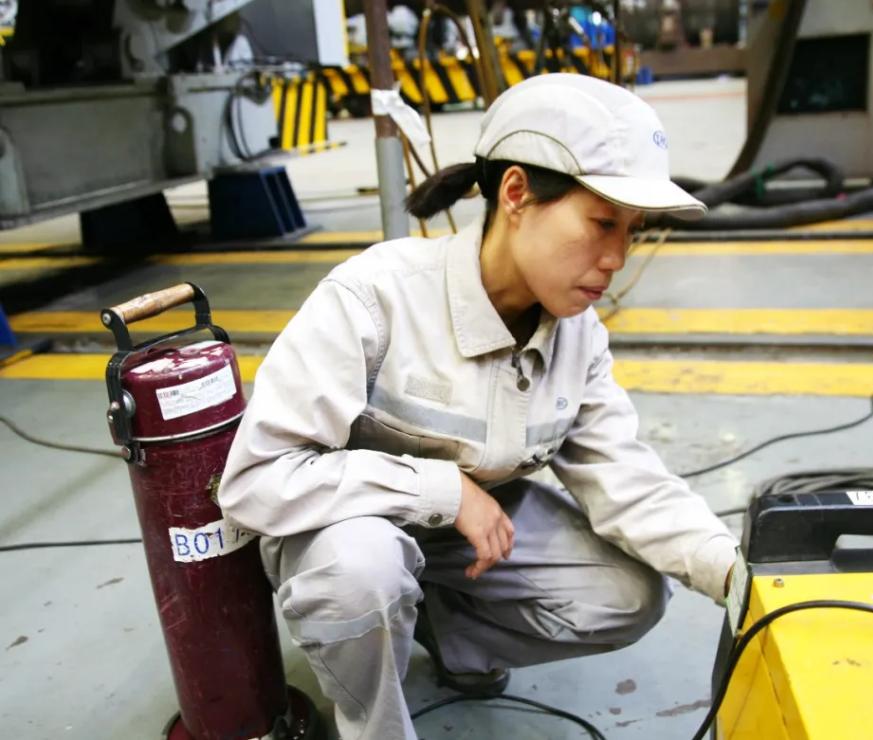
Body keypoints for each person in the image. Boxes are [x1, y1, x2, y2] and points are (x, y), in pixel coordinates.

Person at [218, 73, 739, 740]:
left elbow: (627, 481)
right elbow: (256, 479)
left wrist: (737, 576)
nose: (616, 257)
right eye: (603, 222)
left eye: (633, 231)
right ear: (516, 193)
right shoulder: (375, 297)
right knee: (361, 572)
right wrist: (442, 489)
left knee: (628, 593)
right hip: (345, 530)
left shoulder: (578, 335)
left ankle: (445, 636)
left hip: (466, 545)